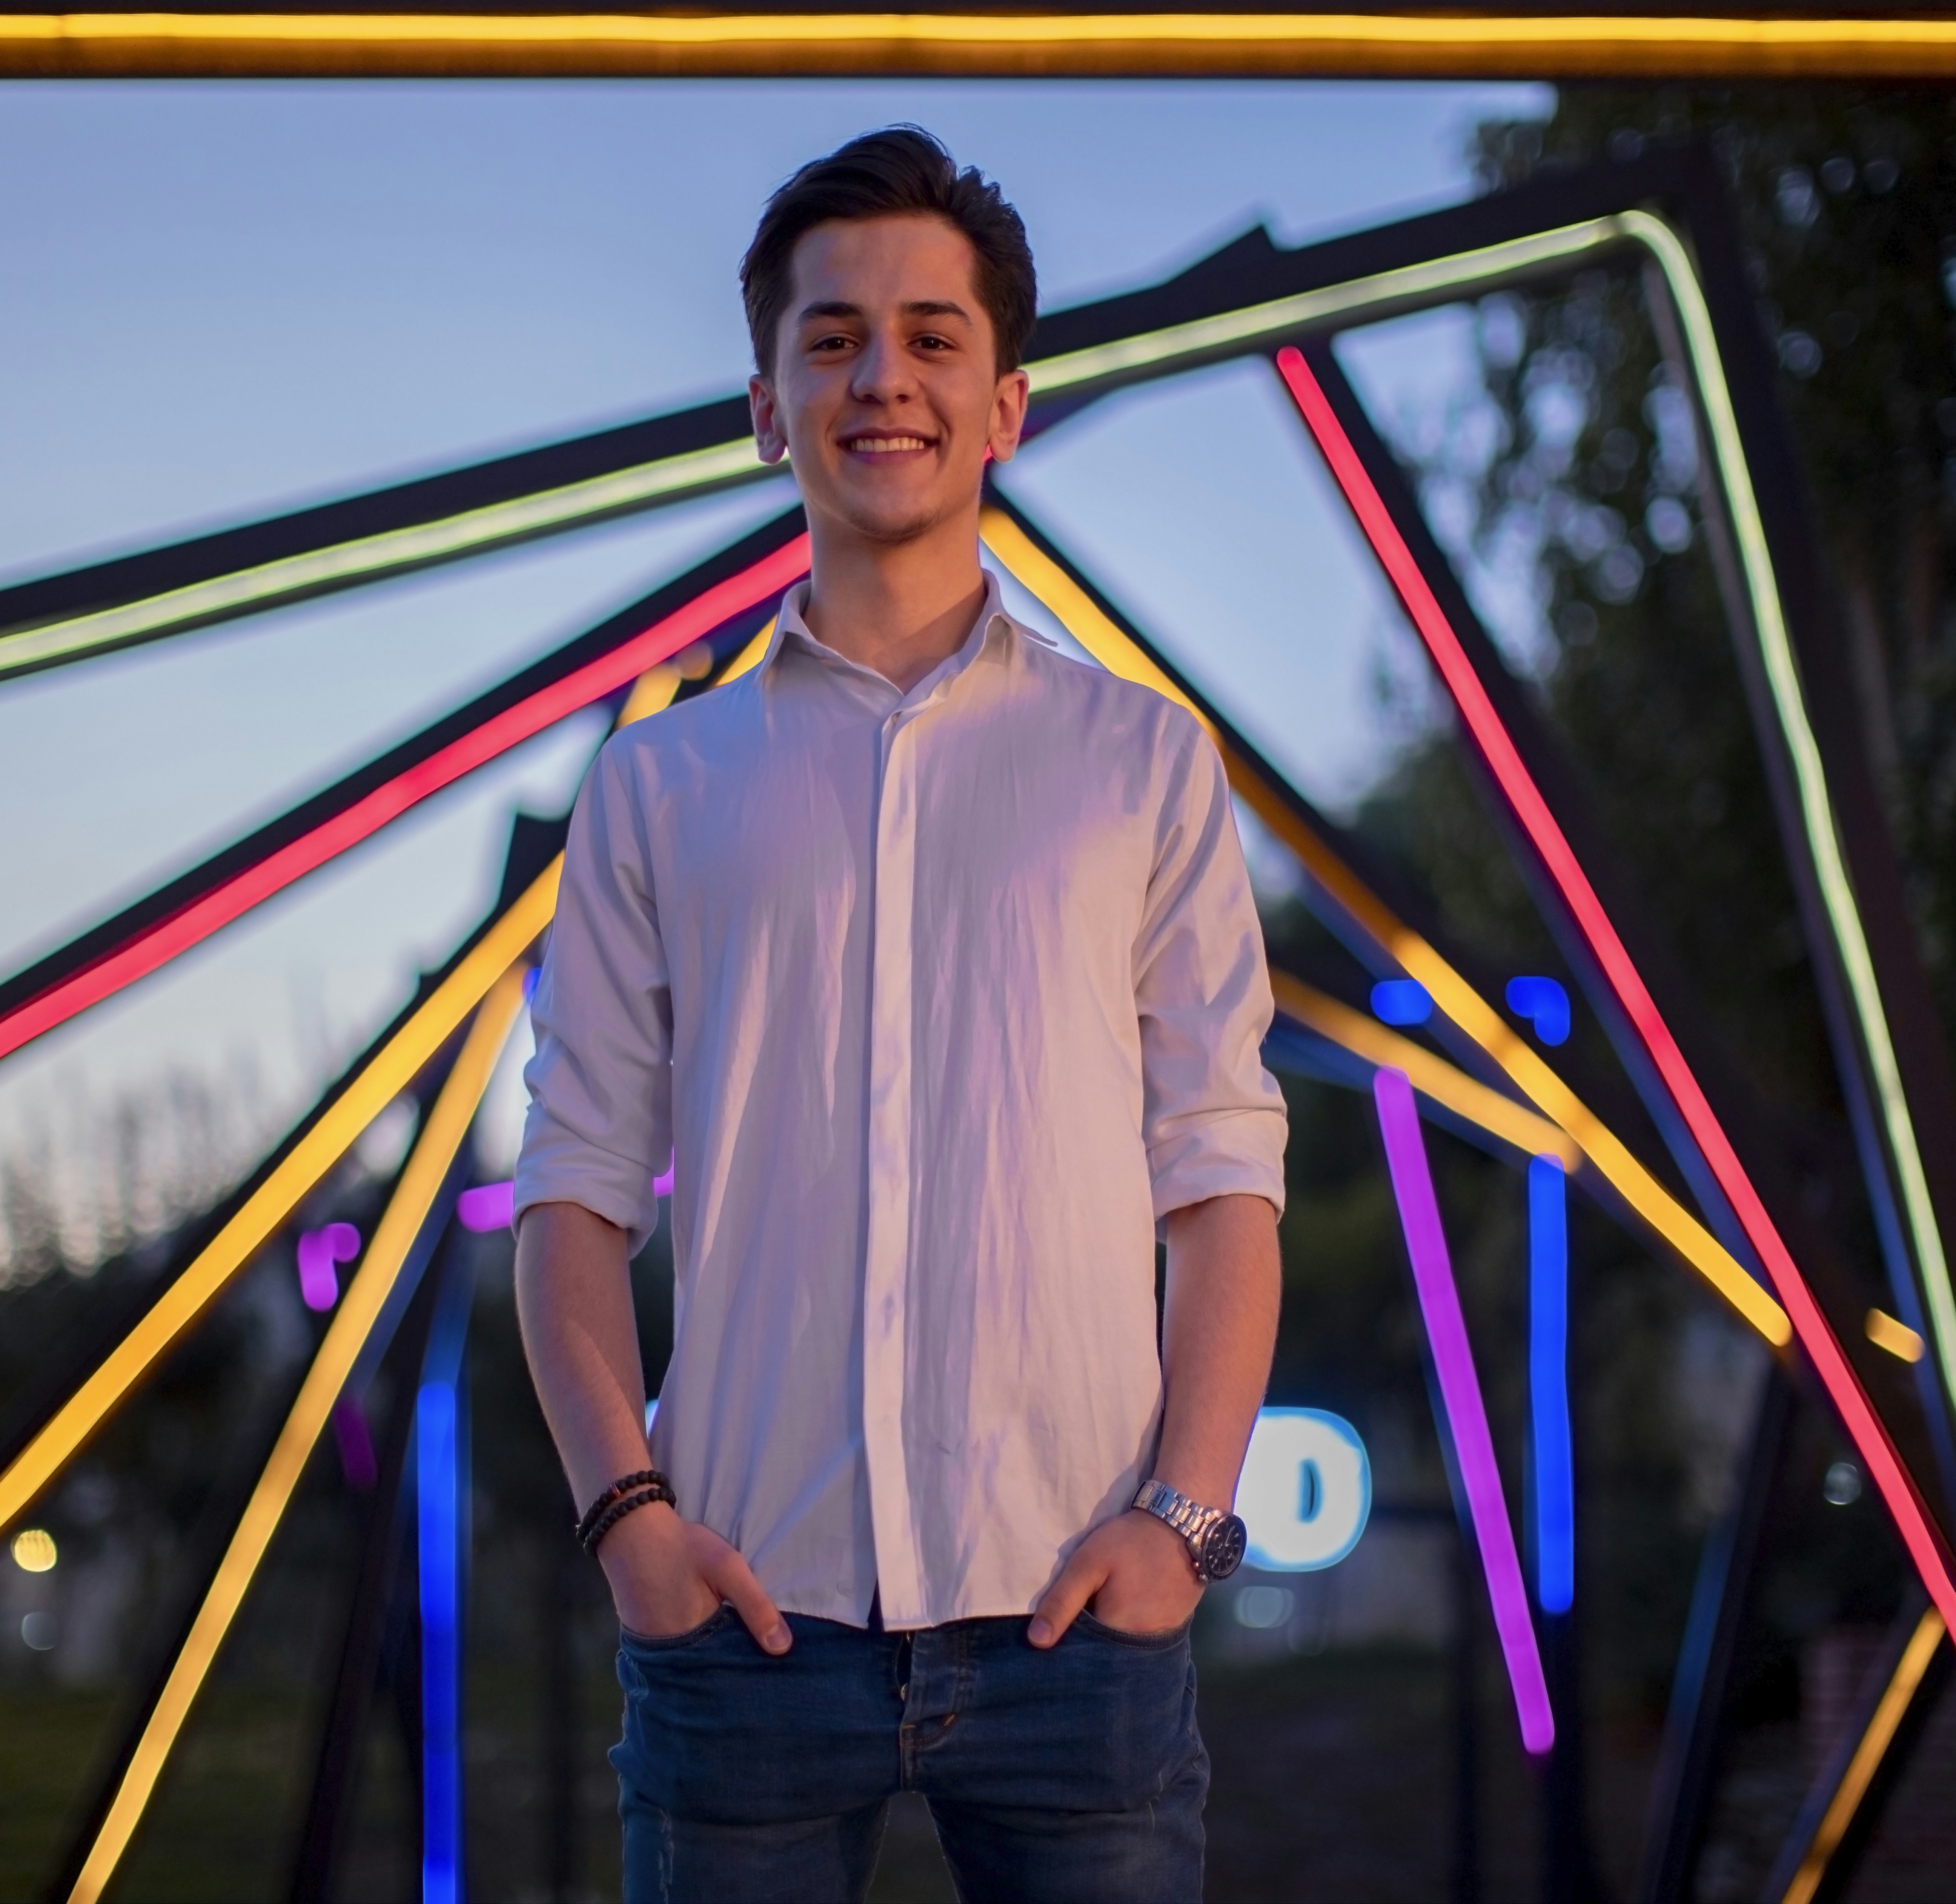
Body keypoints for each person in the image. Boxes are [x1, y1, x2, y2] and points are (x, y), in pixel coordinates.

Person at [512, 125, 1288, 1904]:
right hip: (742, 1631)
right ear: (768, 406)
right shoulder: (655, 783)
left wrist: (1182, 1521)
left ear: (1005, 403)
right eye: (834, 335)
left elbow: (1223, 1179)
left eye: (934, 336)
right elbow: (570, 1193)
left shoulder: (1142, 763)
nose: (886, 376)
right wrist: (628, 1522)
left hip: (1080, 1625)